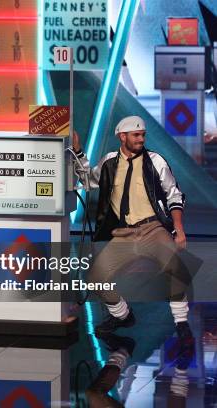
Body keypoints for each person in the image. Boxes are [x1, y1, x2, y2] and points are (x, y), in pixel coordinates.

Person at [72, 116, 191, 339]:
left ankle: (182, 323)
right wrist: (78, 152)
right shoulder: (109, 161)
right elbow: (88, 181)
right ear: (122, 136)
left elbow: (174, 195)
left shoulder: (155, 161)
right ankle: (122, 316)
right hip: (124, 233)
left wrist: (178, 229)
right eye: (136, 135)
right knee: (96, 277)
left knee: (175, 268)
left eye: (143, 135)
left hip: (152, 229)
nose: (141, 139)